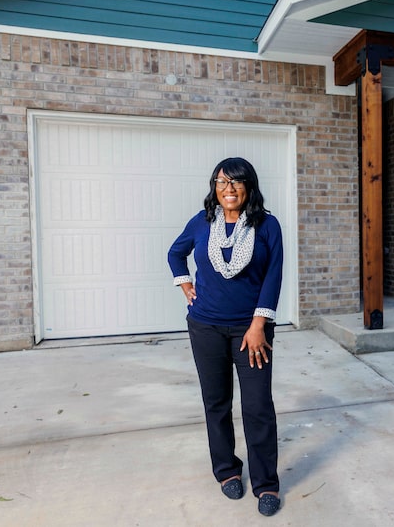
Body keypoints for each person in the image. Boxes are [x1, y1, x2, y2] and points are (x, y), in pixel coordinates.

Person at [168, 157, 283, 517]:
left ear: (248, 186)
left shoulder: (267, 225)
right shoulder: (201, 222)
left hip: (252, 330)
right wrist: (184, 282)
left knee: (257, 406)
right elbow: (175, 253)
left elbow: (274, 276)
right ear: (214, 187)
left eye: (235, 182)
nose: (228, 189)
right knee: (216, 403)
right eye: (221, 182)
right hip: (205, 326)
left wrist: (257, 325)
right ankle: (227, 470)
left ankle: (266, 483)